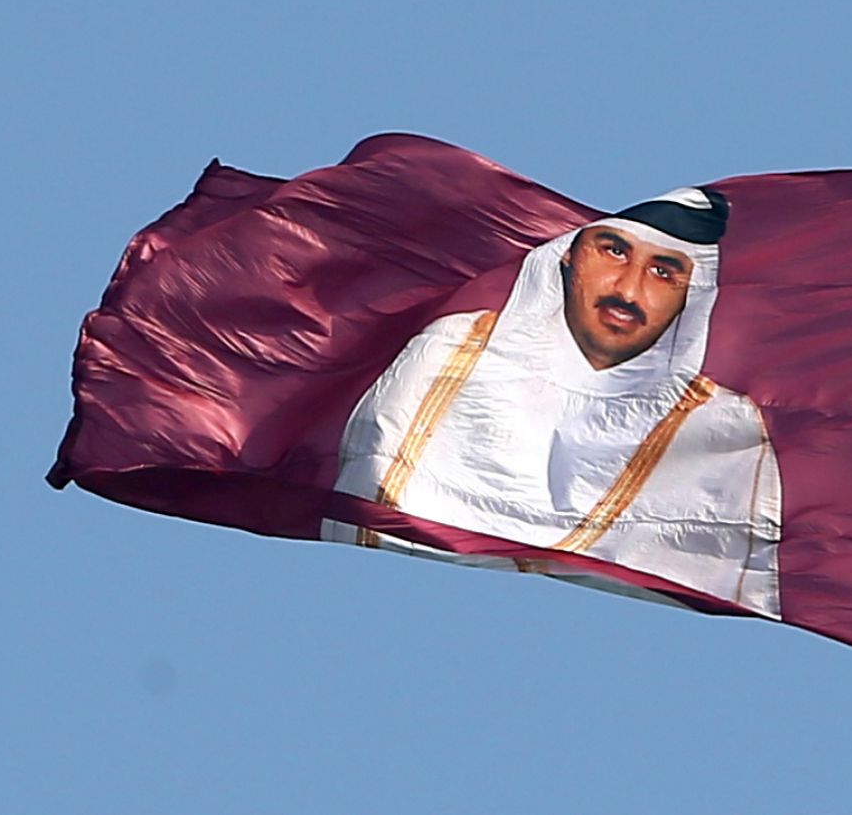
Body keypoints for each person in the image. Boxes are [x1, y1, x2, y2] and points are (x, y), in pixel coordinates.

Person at [324, 187, 783, 617]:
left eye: (663, 272)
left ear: (691, 296)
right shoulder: (455, 347)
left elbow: (734, 585)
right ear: (568, 257)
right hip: (389, 604)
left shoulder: (723, 426)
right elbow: (356, 494)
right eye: (614, 252)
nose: (627, 290)